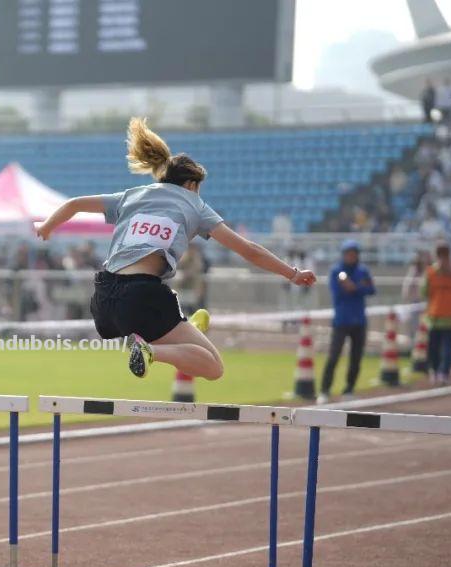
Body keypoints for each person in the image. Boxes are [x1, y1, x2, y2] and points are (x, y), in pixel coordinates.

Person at [35, 118, 316, 380]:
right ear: (192, 184)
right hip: (142, 297)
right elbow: (249, 250)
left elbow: (74, 204)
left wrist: (47, 227)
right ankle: (151, 350)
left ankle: (181, 330)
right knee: (213, 367)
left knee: (177, 333)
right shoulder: (195, 204)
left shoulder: (132, 195)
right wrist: (291, 273)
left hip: (104, 299)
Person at [318, 239, 375, 404]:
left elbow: (370, 289)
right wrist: (358, 288)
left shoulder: (363, 270)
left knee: (356, 357)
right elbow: (339, 292)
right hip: (341, 320)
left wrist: (355, 287)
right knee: (334, 356)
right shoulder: (337, 271)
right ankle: (324, 390)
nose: (351, 256)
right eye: (348, 253)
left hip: (359, 321)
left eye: (353, 253)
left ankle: (349, 389)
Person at [422, 243, 451, 385]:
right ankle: (434, 371)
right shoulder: (431, 272)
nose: (443, 258)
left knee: (448, 349)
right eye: (440, 255)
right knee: (433, 348)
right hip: (434, 317)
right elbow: (424, 292)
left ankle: (444, 374)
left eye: (445, 255)